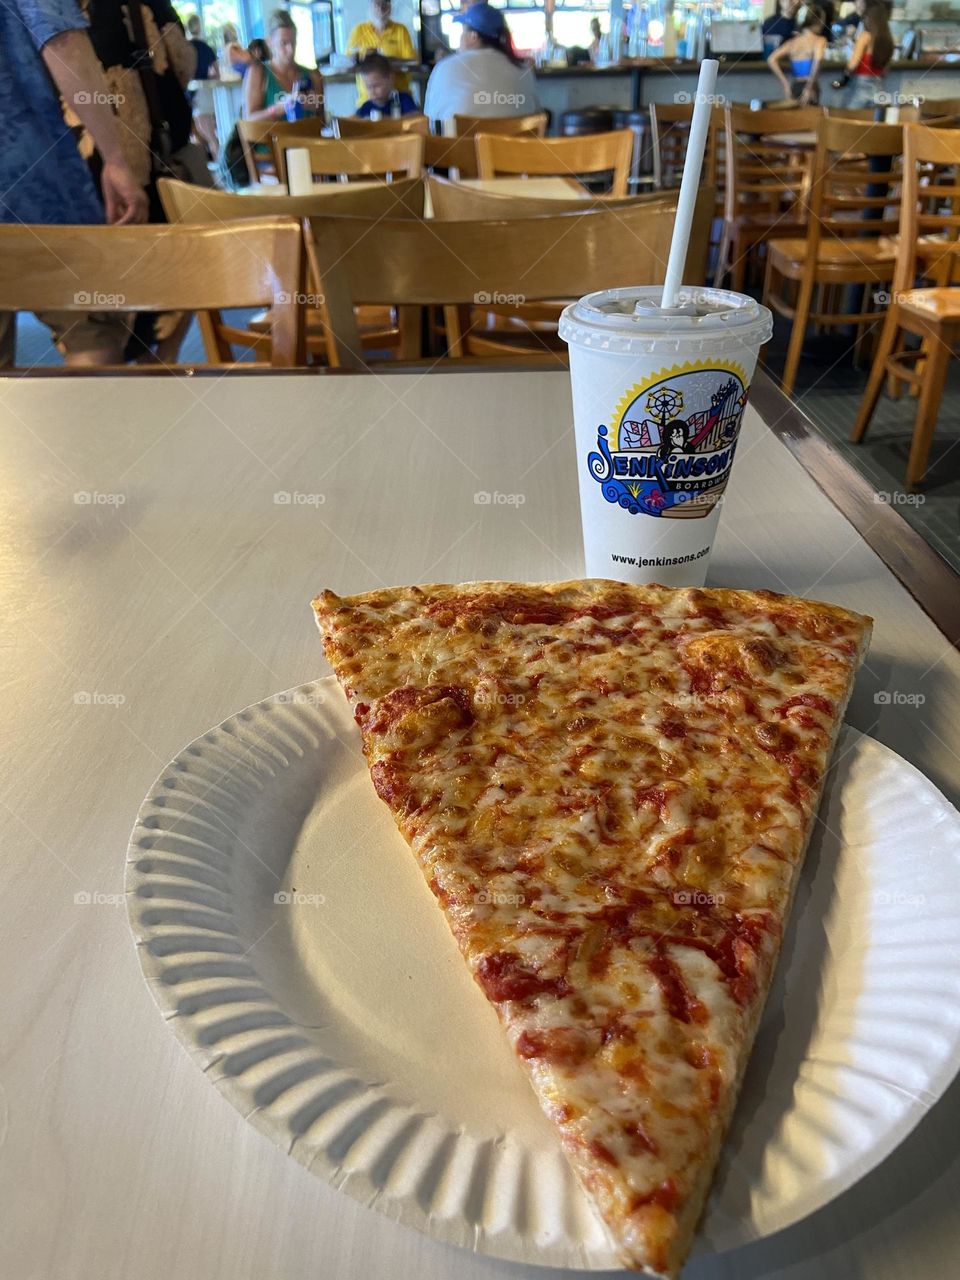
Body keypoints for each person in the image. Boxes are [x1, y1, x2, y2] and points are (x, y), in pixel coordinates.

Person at [0, 0, 147, 368]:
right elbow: (62, 42)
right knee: (88, 327)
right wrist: (114, 157)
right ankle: (99, 425)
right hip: (35, 179)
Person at [423, 2, 539, 125]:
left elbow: (431, 122)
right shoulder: (523, 69)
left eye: (463, 31)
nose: (460, 38)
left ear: (473, 36)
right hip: (512, 144)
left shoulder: (444, 67)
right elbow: (536, 116)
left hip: (458, 144)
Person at [244, 9, 324, 121]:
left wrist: (314, 105)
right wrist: (279, 108)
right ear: (270, 42)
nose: (290, 50)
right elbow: (249, 120)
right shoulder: (258, 72)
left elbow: (322, 121)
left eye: (293, 42)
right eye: (284, 43)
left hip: (305, 137)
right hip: (271, 138)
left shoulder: (313, 75)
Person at [347, 0, 416, 107]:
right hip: (367, 98)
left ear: (390, 6)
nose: (380, 8)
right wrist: (364, 57)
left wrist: (382, 60)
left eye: (384, 4)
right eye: (377, 4)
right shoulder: (359, 31)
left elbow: (413, 62)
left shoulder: (401, 30)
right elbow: (348, 61)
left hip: (399, 96)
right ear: (370, 6)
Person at [832, 0, 894, 106]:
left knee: (850, 119)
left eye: (864, 17)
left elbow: (853, 64)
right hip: (878, 90)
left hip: (859, 89)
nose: (863, 20)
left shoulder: (865, 37)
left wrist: (843, 79)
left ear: (870, 18)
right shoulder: (888, 40)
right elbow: (885, 72)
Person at [767, 5, 829, 104]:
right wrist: (809, 87)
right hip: (811, 87)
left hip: (795, 86)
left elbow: (771, 59)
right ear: (818, 22)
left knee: (795, 117)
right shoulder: (820, 41)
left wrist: (785, 84)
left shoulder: (792, 43)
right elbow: (817, 63)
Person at [186, 14, 219, 161]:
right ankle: (221, 166)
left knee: (201, 136)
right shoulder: (206, 48)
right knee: (212, 136)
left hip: (192, 95)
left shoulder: (186, 49)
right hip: (206, 94)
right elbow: (215, 73)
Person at [355, 52, 419, 118]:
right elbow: (352, 122)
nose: (372, 91)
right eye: (368, 87)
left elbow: (417, 118)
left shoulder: (403, 100)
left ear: (390, 79)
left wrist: (386, 120)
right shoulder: (366, 108)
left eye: (376, 86)